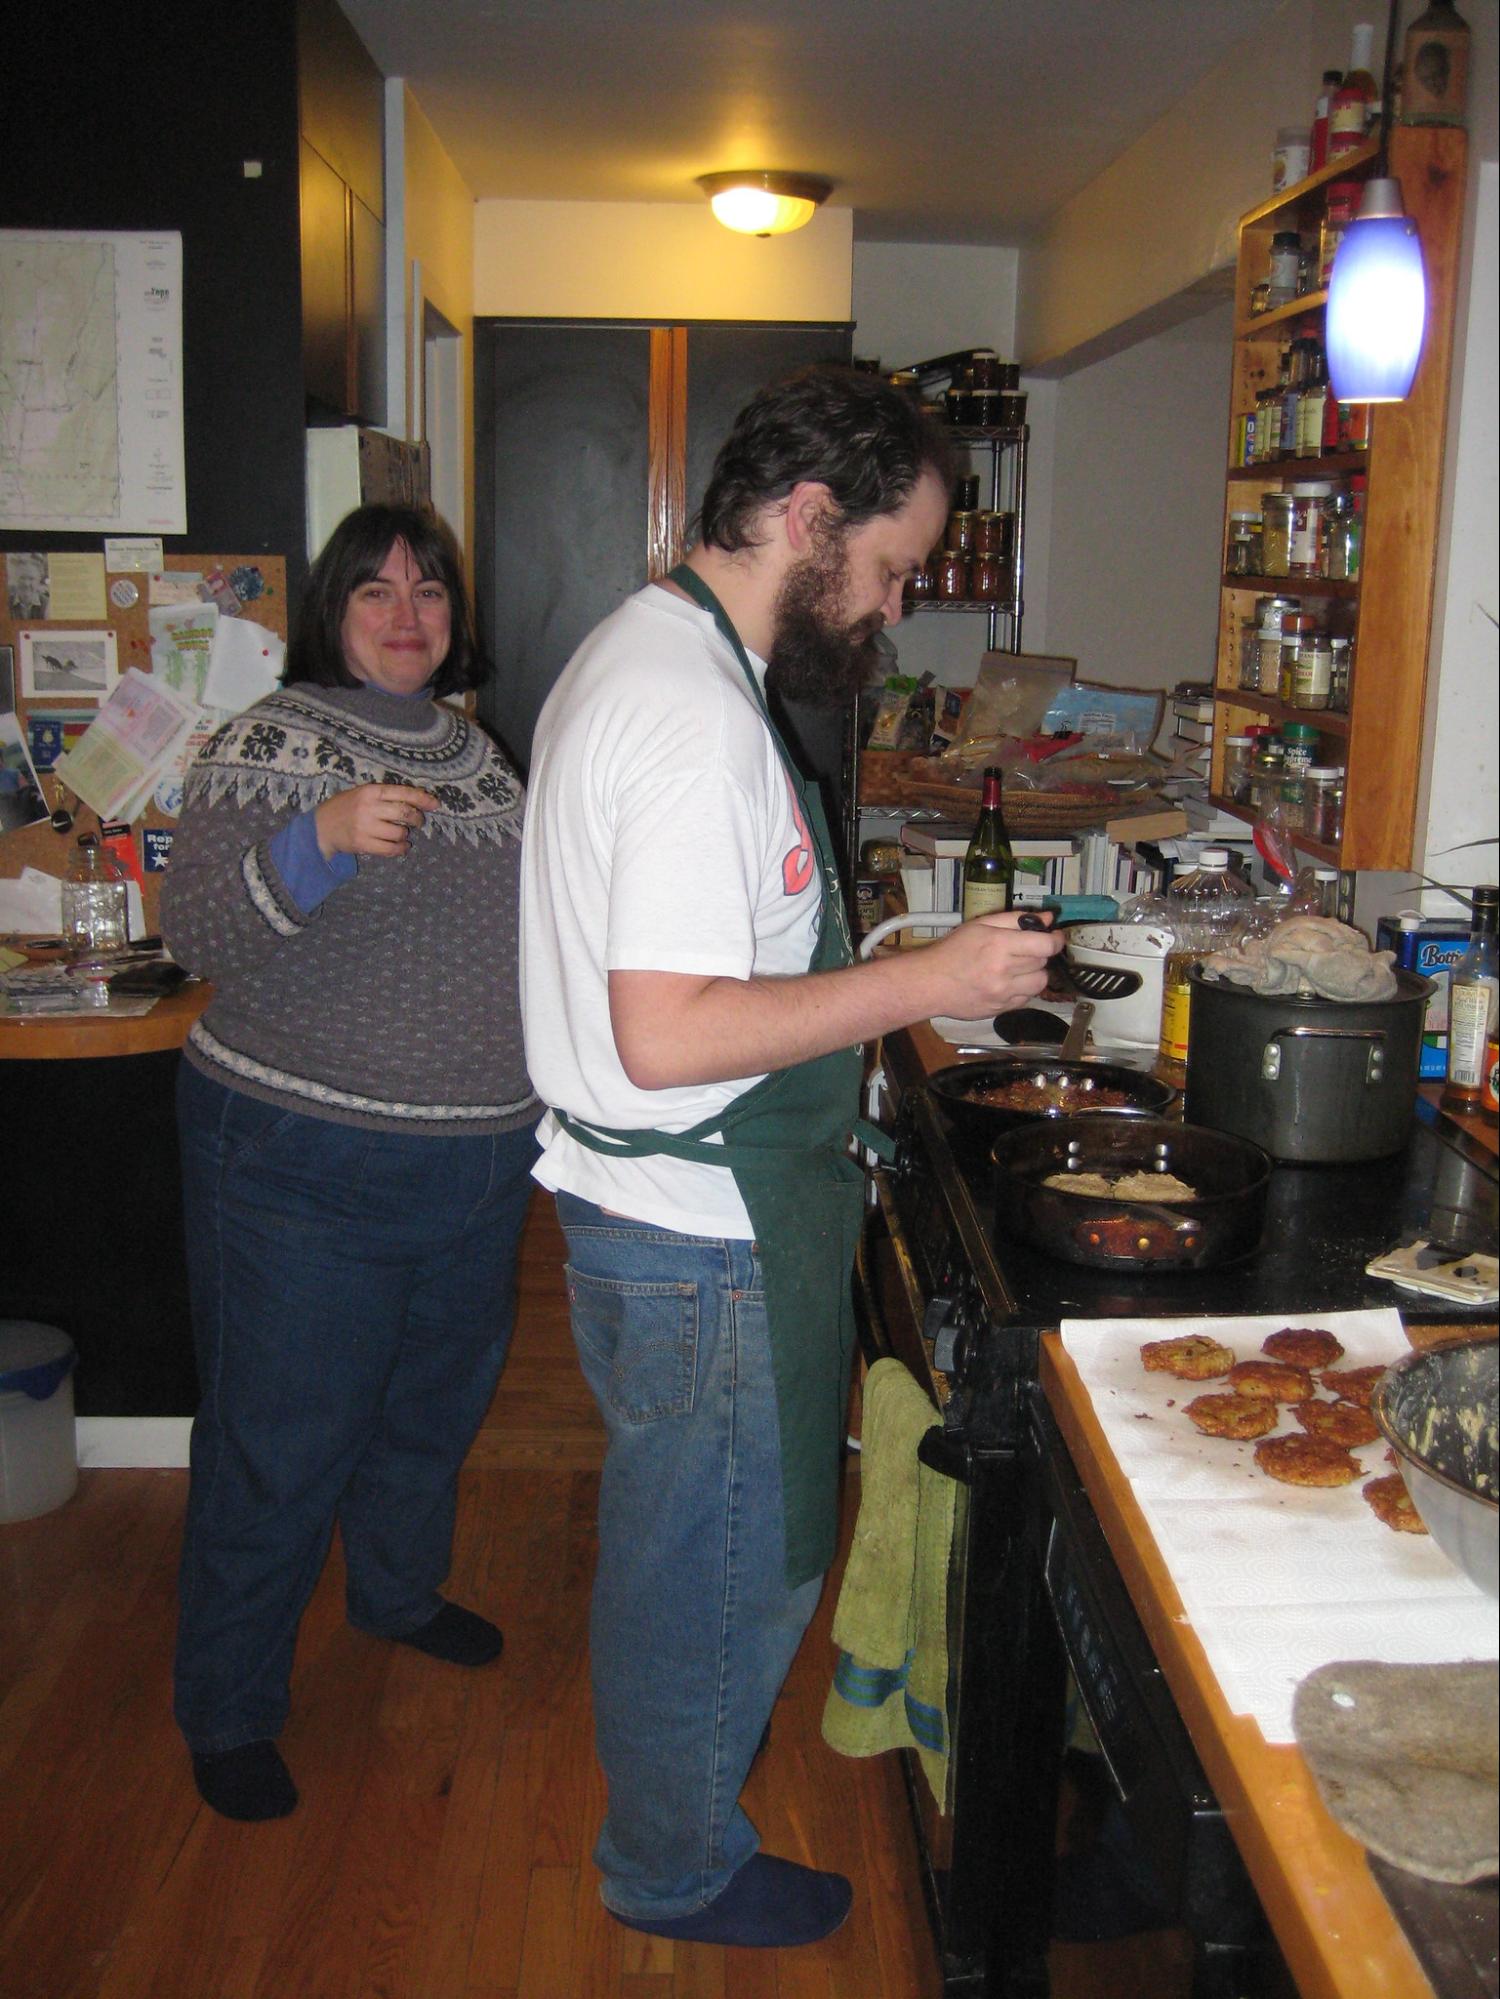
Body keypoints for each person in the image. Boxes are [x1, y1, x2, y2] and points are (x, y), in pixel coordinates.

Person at [519, 366, 1062, 1947]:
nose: (889, 609)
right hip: (703, 1236)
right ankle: (670, 1871)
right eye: (889, 568)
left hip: (656, 1217)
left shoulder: (652, 652)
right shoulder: (692, 716)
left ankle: (665, 1835)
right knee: (722, 1572)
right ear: (809, 518)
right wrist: (935, 981)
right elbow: (671, 1033)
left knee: (678, 1547)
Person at [162, 504, 538, 1823]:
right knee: (280, 1446)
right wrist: (313, 842)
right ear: (332, 610)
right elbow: (200, 926)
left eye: (428, 590)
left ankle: (393, 1595)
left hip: (478, 1165)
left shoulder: (481, 756)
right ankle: (228, 1706)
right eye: (375, 590)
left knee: (429, 1413)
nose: (405, 613)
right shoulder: (273, 739)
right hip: (301, 1162)